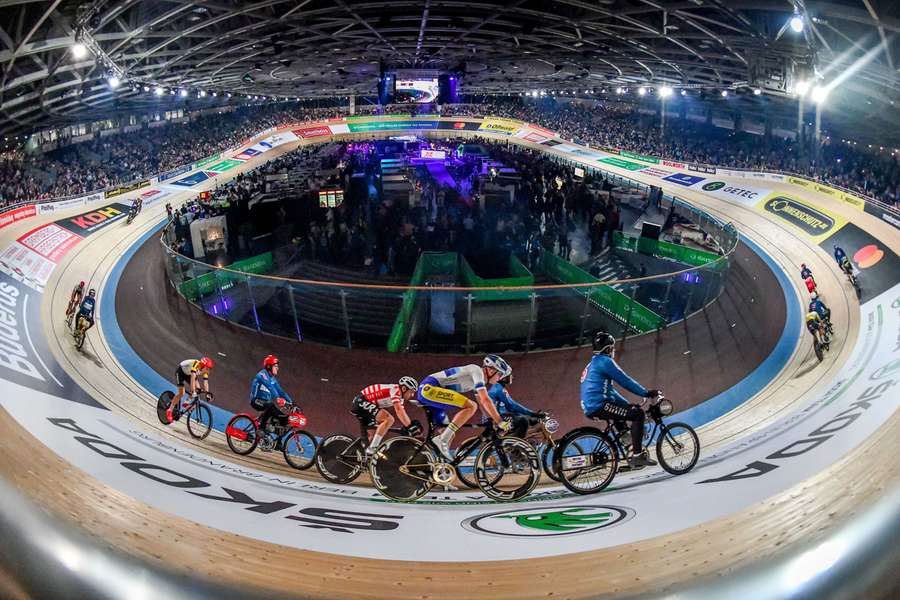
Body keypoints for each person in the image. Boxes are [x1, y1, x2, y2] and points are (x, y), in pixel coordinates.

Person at [580, 331, 660, 469]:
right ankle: (637, 456)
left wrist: (627, 405)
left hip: (593, 405)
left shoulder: (593, 363)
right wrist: (646, 393)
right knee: (638, 415)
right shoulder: (605, 361)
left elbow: (610, 392)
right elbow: (625, 380)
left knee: (624, 414)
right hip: (599, 405)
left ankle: (628, 447)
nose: (613, 351)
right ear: (608, 348)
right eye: (612, 348)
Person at [419, 355, 513, 460]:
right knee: (471, 406)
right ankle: (441, 441)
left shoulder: (479, 380)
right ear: (491, 371)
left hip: (431, 392)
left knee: (447, 433)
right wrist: (500, 421)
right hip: (430, 389)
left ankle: (440, 466)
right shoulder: (476, 371)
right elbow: (485, 400)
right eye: (500, 374)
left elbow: (482, 403)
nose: (499, 379)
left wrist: (491, 420)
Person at [351, 377, 421, 458]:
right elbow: (399, 410)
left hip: (363, 402)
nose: (412, 395)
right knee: (388, 419)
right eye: (411, 392)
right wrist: (410, 426)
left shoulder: (400, 397)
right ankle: (372, 449)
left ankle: (360, 460)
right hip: (361, 401)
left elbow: (402, 414)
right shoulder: (395, 390)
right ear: (404, 388)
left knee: (373, 436)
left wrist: (409, 425)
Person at [249, 355, 297, 450]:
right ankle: (261, 429)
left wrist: (291, 403)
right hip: (256, 401)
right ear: (269, 366)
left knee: (283, 419)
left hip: (266, 403)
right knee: (271, 405)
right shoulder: (262, 374)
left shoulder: (273, 379)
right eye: (276, 366)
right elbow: (270, 387)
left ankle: (278, 442)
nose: (278, 368)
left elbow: (281, 391)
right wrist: (278, 399)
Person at [487, 373, 545, 438]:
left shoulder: (497, 387)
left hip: (496, 416)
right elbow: (513, 406)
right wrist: (532, 413)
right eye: (509, 375)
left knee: (525, 418)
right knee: (523, 420)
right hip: (496, 418)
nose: (512, 377)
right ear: (503, 377)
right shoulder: (499, 388)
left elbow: (509, 408)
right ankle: (516, 445)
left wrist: (530, 416)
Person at [169, 356, 213, 422]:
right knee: (182, 393)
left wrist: (207, 394)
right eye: (207, 368)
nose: (208, 371)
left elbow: (206, 383)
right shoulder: (195, 364)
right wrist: (193, 391)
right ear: (203, 366)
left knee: (198, 390)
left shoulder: (205, 371)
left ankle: (187, 402)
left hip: (189, 374)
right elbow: (192, 378)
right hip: (180, 372)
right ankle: (169, 410)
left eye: (209, 369)